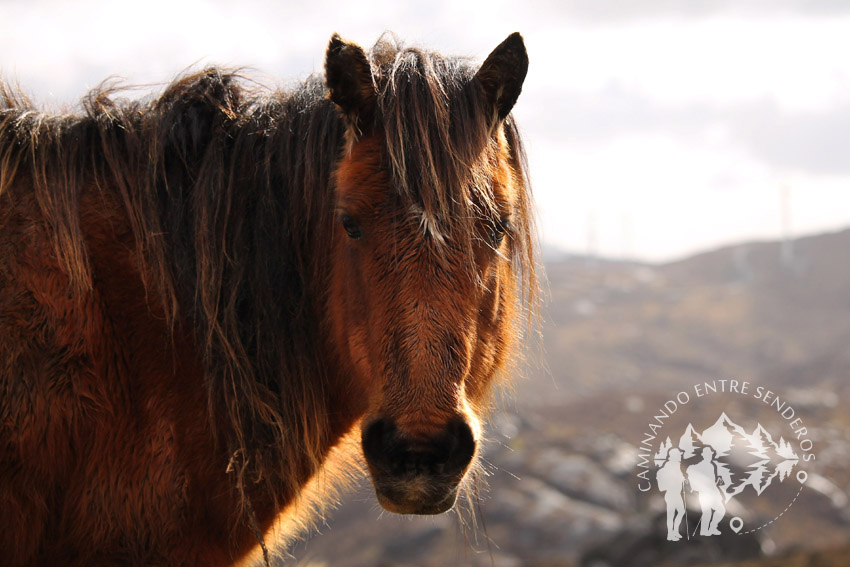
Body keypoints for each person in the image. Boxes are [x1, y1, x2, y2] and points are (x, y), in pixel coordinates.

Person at [686, 446, 726, 536]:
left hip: (711, 492)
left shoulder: (712, 466)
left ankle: (712, 528)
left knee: (720, 510)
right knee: (707, 512)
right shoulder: (698, 466)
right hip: (702, 494)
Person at [656, 448, 687, 541]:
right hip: (671, 494)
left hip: (678, 494)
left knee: (680, 512)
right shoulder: (667, 468)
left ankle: (674, 531)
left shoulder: (679, 468)